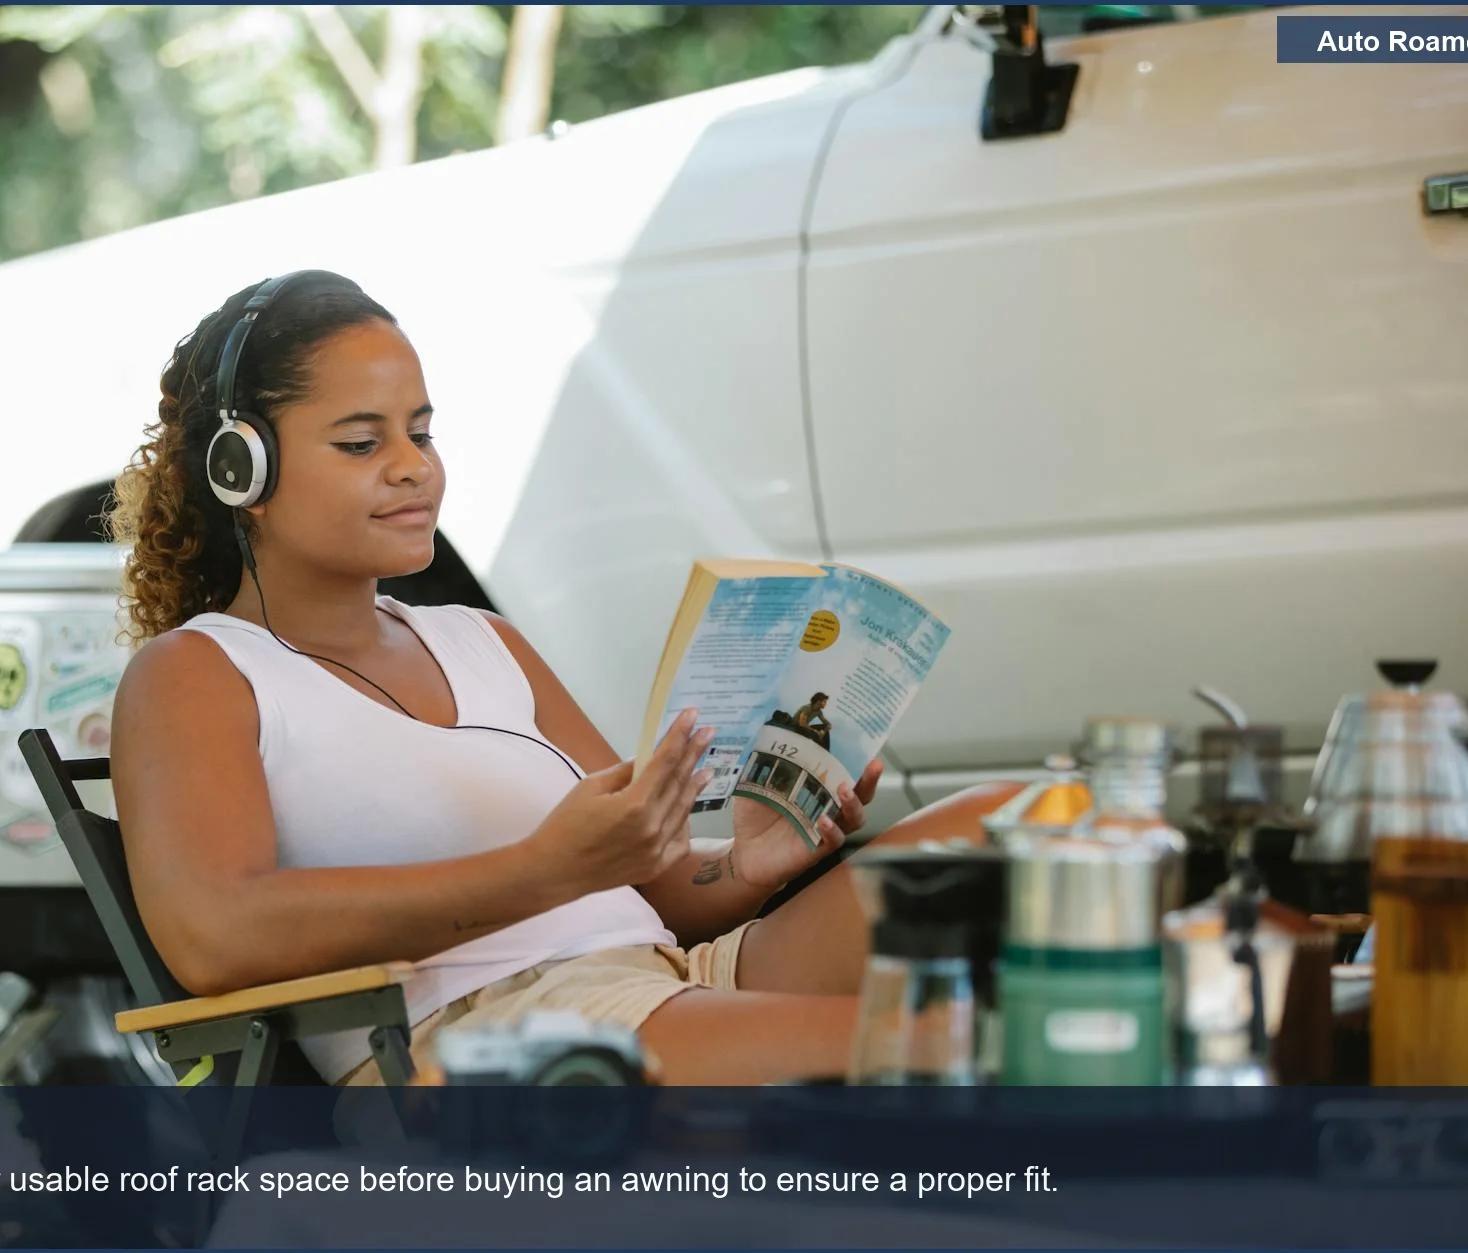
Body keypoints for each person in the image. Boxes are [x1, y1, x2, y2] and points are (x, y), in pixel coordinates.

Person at [107, 272, 1017, 1087]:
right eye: (360, 442)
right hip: (494, 1034)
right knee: (930, 1042)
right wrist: (543, 868)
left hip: (665, 976)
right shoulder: (200, 672)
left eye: (421, 432)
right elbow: (212, 935)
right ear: (243, 470)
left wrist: (746, 860)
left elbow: (657, 889)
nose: (413, 466)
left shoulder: (483, 639)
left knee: (1021, 829)